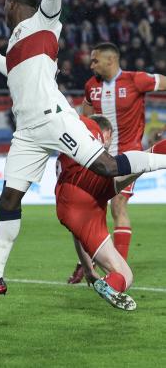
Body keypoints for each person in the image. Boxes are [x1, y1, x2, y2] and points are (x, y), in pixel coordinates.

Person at [0, 0, 166, 306]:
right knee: (9, 198)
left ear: (12, 5)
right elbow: (11, 71)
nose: (3, 13)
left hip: (53, 118)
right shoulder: (15, 44)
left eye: (5, 7)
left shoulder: (44, 22)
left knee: (107, 167)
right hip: (26, 132)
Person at [63, 43, 166, 283]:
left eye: (95, 60)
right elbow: (85, 119)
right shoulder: (91, 86)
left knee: (118, 205)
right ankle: (86, 263)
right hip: (98, 158)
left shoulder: (136, 80)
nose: (91, 65)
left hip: (129, 157)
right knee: (88, 210)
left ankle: (118, 270)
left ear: (110, 60)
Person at [56, 114, 166, 310]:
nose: (110, 141)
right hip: (88, 191)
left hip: (74, 208)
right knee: (139, 160)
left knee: (125, 276)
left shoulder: (68, 151)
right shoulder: (90, 139)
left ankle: (108, 284)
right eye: (110, 136)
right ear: (104, 133)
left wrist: (88, 269)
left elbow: (77, 233)